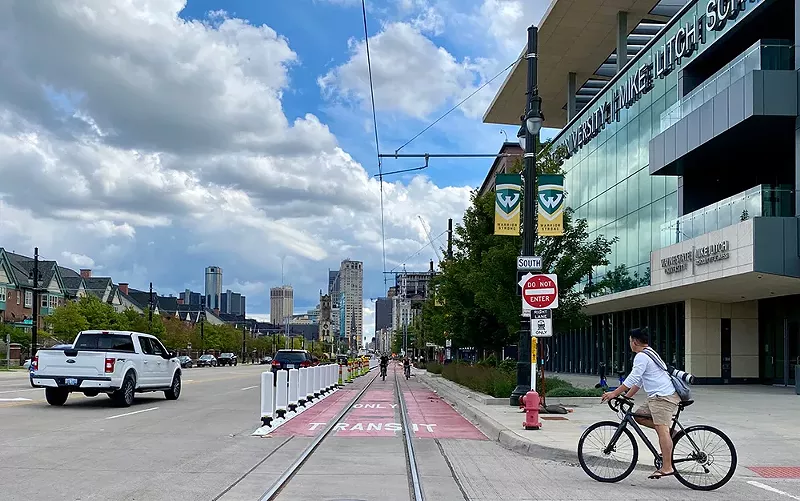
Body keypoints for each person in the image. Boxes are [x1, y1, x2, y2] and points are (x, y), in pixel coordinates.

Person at [601, 328, 680, 480]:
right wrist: (626, 396)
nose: (630, 344)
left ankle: (667, 467)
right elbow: (639, 380)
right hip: (657, 397)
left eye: (630, 341)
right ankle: (672, 434)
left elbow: (632, 378)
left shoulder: (641, 357)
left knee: (661, 430)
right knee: (639, 417)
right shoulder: (650, 352)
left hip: (663, 398)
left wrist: (614, 393)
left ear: (635, 341)